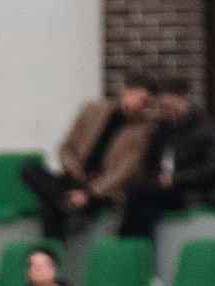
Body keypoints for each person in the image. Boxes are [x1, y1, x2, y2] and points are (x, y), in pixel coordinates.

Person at [21, 74, 154, 239]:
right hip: (76, 178)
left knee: (49, 206)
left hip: (103, 189)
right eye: (140, 99)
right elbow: (66, 148)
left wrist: (89, 193)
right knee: (29, 168)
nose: (142, 106)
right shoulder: (92, 110)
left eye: (146, 103)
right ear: (125, 91)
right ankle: (67, 203)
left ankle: (52, 250)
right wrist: (74, 169)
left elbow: (125, 170)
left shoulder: (142, 130)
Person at [118, 78, 215, 239]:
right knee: (139, 195)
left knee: (142, 195)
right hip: (164, 187)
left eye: (166, 105)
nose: (163, 110)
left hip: (192, 190)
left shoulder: (205, 129)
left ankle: (132, 245)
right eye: (161, 106)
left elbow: (213, 168)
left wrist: (175, 178)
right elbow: (151, 161)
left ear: (180, 100)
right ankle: (136, 245)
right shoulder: (165, 129)